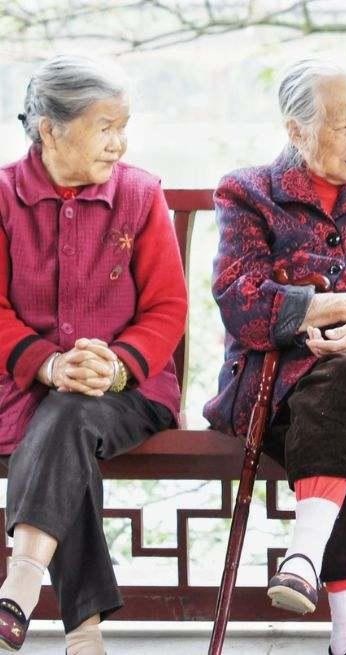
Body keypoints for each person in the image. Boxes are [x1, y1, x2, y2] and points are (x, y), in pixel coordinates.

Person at [203, 59, 346, 655]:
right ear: (296, 130)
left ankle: (305, 554)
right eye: (343, 126)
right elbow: (244, 305)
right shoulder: (248, 194)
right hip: (275, 389)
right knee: (338, 400)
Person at [0, 55, 187, 654]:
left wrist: (115, 365)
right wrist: (49, 364)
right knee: (60, 422)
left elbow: (166, 308)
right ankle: (85, 635)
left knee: (69, 416)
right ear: (50, 129)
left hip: (130, 391)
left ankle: (21, 583)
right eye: (105, 126)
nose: (119, 142)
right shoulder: (4, 196)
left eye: (123, 126)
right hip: (24, 387)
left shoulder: (139, 194)